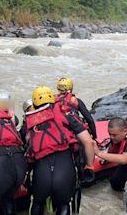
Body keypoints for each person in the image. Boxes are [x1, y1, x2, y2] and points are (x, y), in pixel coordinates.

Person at [23, 86, 96, 215]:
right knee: (64, 205)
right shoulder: (66, 115)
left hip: (41, 174)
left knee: (37, 203)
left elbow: (25, 149)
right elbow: (88, 142)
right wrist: (89, 166)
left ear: (34, 104)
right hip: (65, 172)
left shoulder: (29, 123)